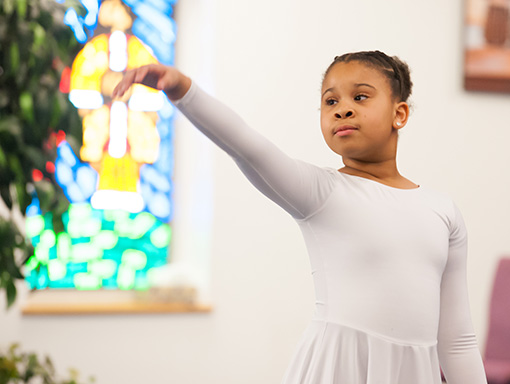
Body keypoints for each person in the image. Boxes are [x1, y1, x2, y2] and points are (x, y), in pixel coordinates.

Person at [113, 50, 488, 384]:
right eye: (330, 101)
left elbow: (457, 340)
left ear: (399, 113)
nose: (343, 108)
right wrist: (182, 90)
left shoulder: (443, 211)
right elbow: (246, 144)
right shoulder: (321, 192)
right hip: (338, 367)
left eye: (360, 97)